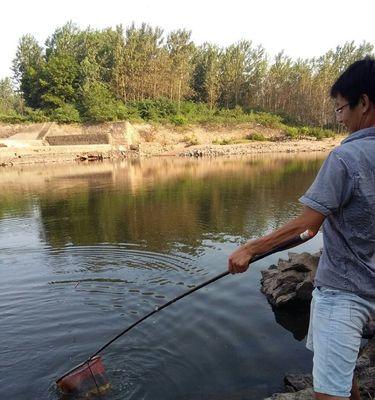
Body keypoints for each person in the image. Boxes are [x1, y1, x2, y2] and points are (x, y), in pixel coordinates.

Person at [228, 58, 375, 400]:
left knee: (329, 390)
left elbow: (307, 228)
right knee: (343, 370)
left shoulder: (345, 159)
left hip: (343, 292)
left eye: (341, 108)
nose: (339, 119)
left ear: (364, 103)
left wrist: (250, 249)